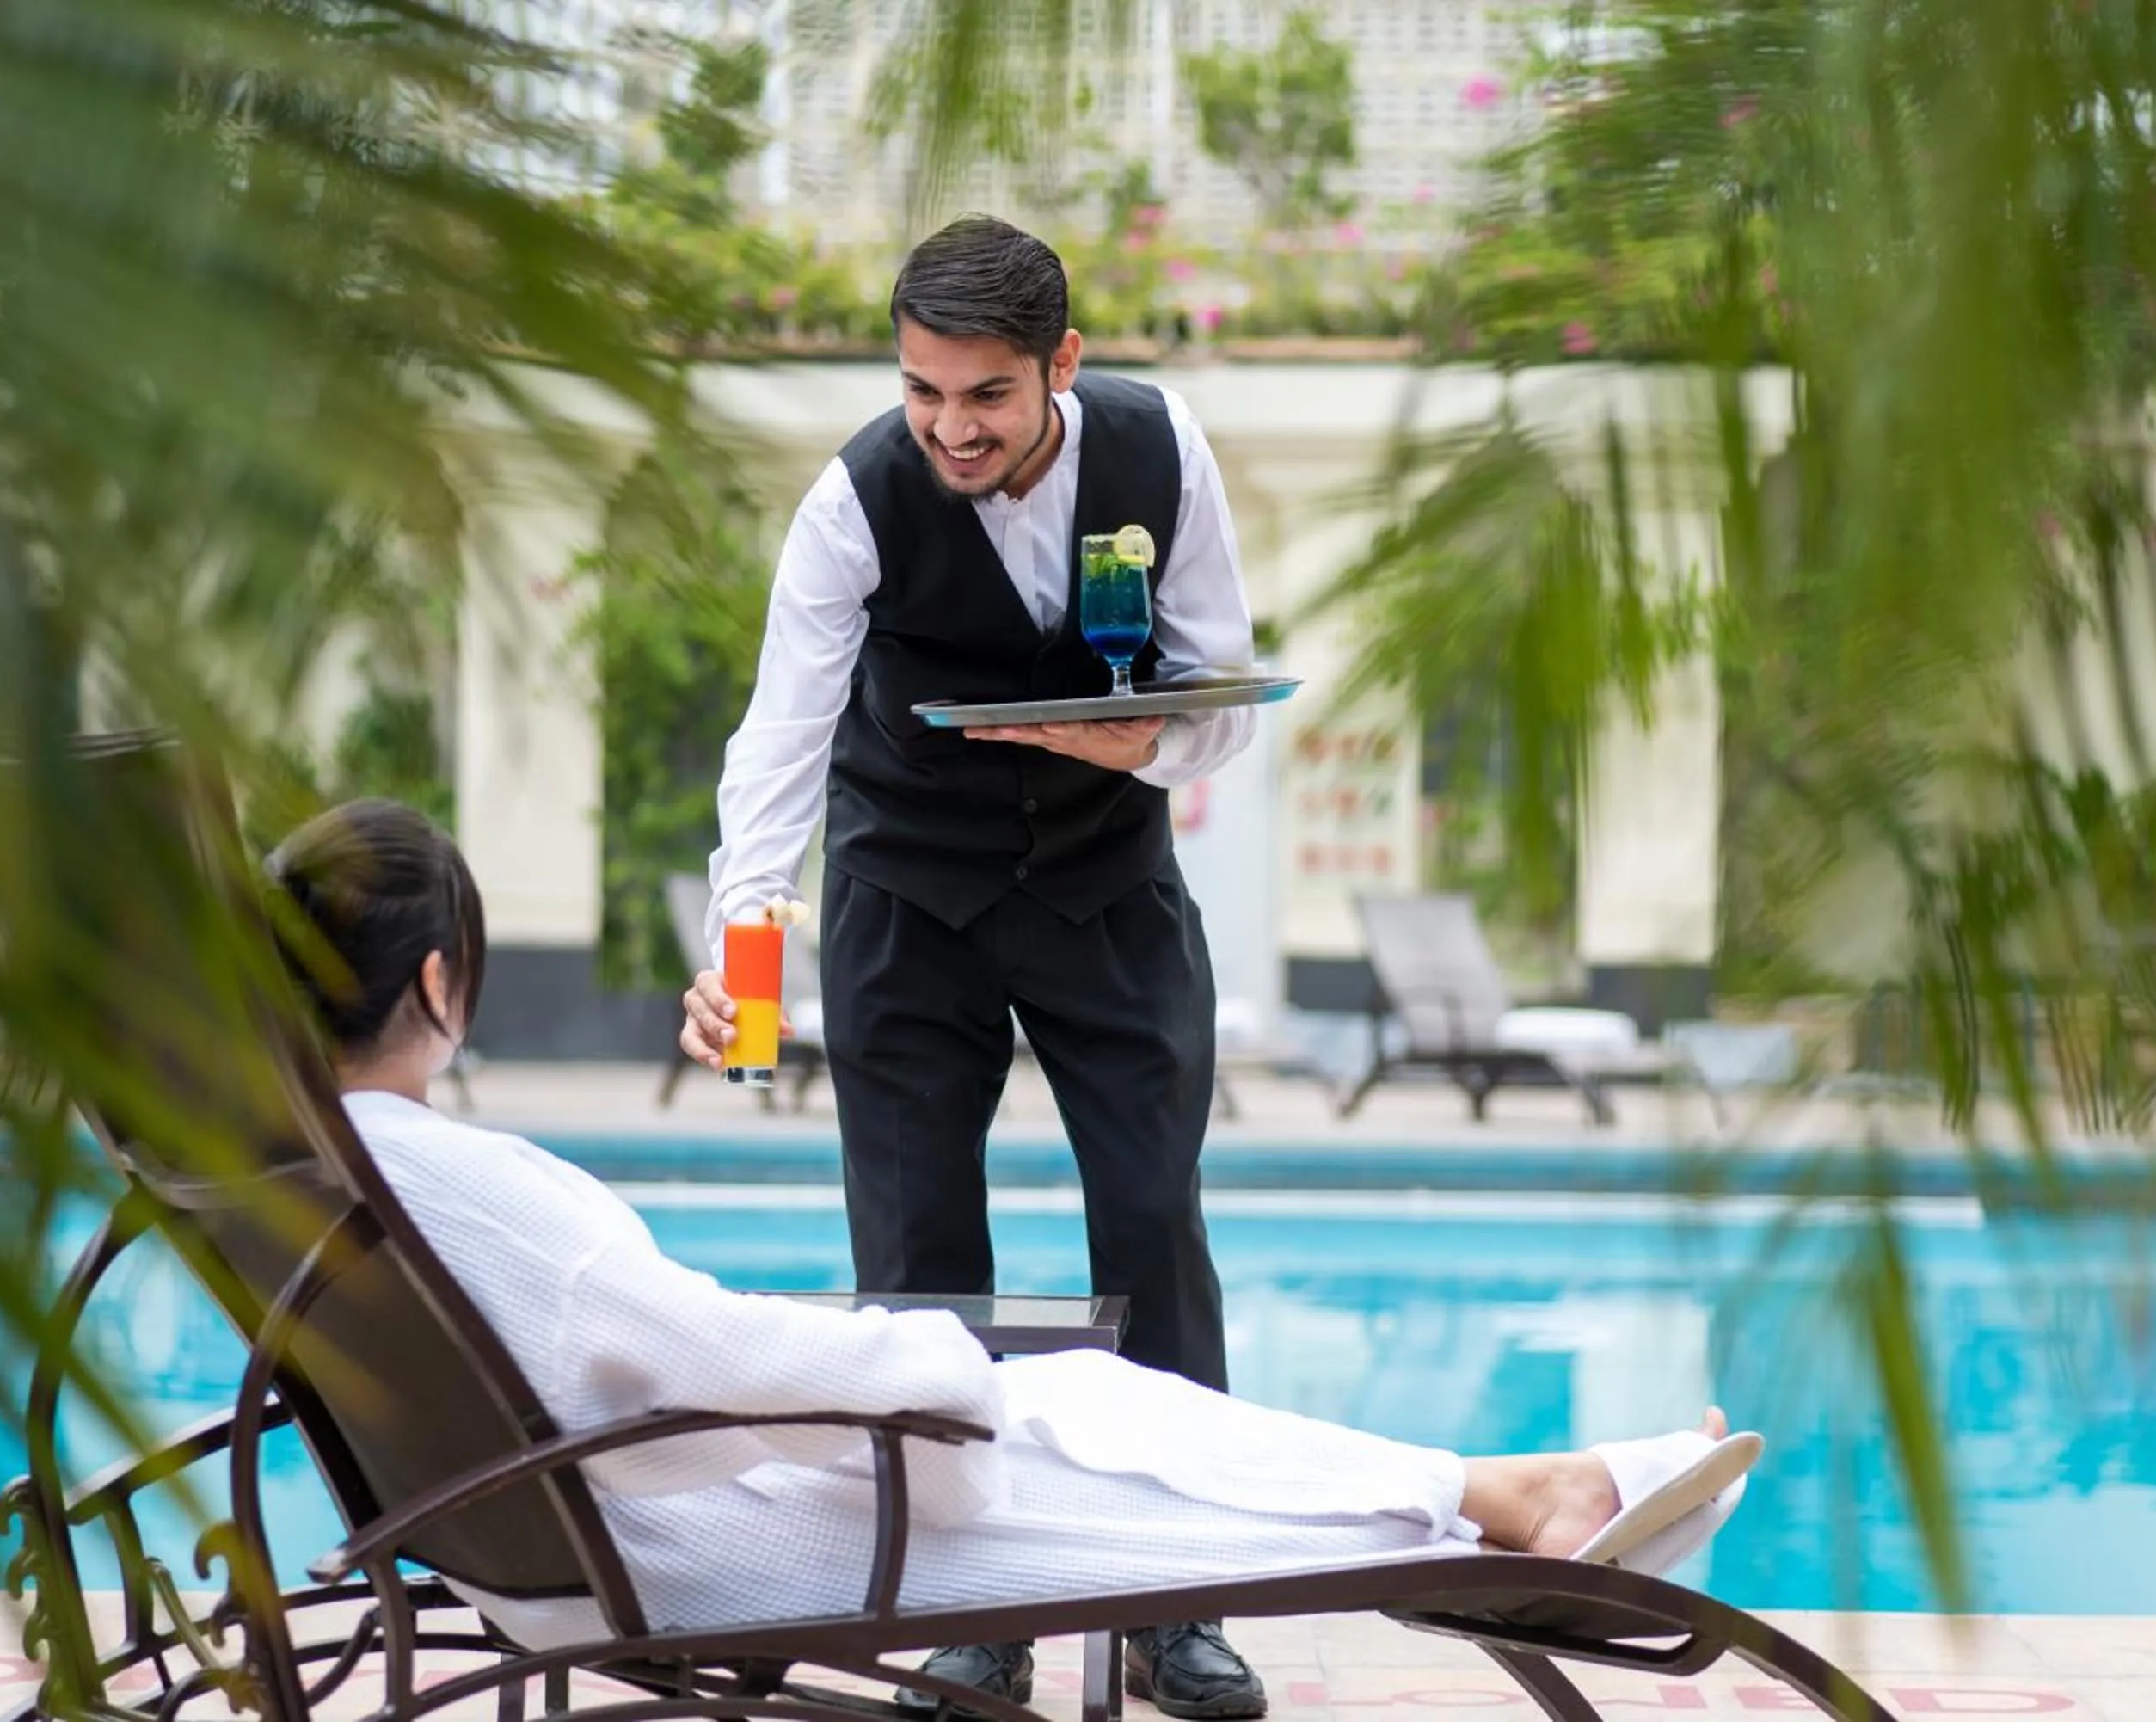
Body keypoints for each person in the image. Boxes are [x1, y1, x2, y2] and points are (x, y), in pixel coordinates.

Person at [270, 800, 1765, 1709]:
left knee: (1093, 1408)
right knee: (1101, 1428)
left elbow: (658, 1351)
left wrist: (910, 1357)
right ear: (441, 979)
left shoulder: (321, 1166)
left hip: (570, 1533)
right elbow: (694, 1355)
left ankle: (1503, 1508)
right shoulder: (463, 1179)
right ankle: (1506, 1519)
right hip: (699, 1547)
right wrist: (934, 1363)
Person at [678, 214, 1271, 1713]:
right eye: (923, 390)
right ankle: (973, 1604)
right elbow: (782, 732)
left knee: (1153, 1220)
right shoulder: (854, 499)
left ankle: (1172, 1600)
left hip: (1103, 879)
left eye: (986, 395)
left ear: (1061, 365)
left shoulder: (1161, 447)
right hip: (909, 890)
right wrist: (739, 936)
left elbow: (1225, 693)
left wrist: (1145, 746)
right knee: (922, 1256)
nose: (949, 426)